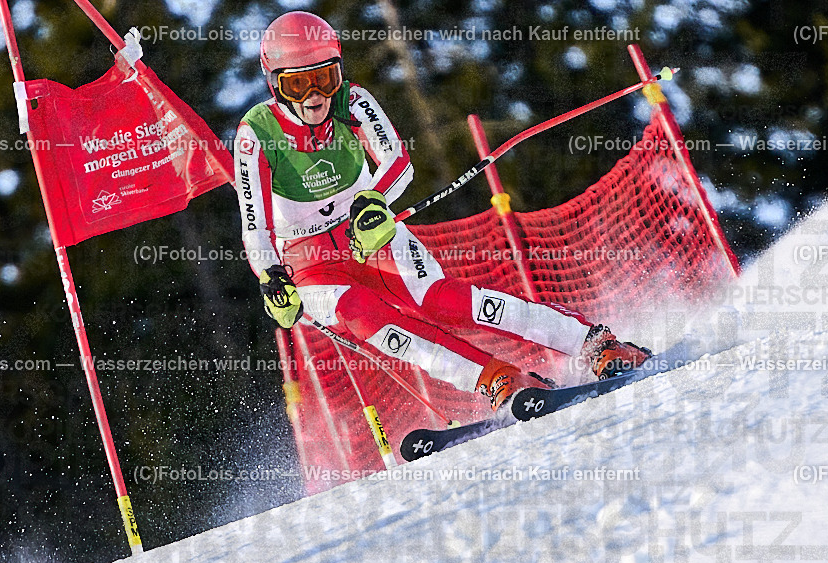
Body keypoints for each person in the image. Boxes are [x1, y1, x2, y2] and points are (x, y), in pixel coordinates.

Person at [234, 11, 650, 411]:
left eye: (326, 79)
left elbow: (397, 161)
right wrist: (270, 277)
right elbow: (254, 224)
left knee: (440, 300)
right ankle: (495, 377)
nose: (315, 97)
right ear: (275, 86)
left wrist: (372, 200)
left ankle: (595, 343)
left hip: (367, 229)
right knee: (362, 314)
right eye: (299, 86)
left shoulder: (352, 100)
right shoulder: (257, 133)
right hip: (308, 261)